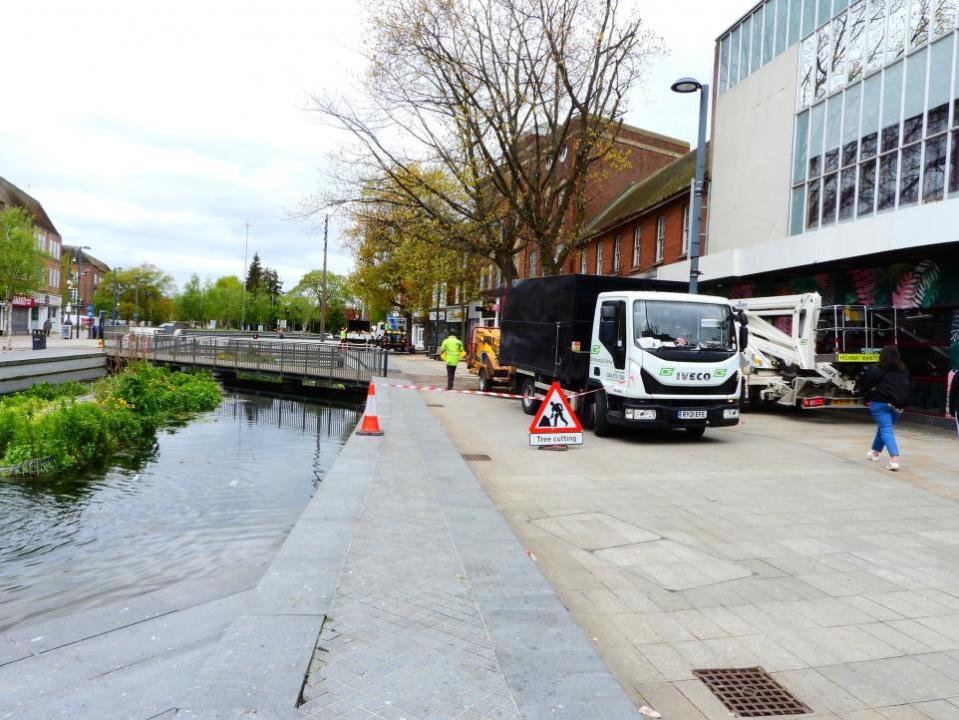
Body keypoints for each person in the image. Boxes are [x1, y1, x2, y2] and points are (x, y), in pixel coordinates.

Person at [861, 345, 910, 471]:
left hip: (880, 404)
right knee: (884, 428)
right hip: (898, 406)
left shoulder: (875, 369)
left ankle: (894, 459)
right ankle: (875, 452)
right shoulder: (903, 370)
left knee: (886, 429)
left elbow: (865, 385)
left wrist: (865, 397)